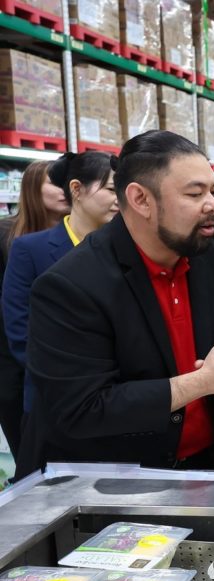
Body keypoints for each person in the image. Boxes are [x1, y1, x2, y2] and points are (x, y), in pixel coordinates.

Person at [20, 130, 214, 476]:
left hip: (210, 467)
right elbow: (81, 407)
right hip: (114, 482)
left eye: (213, 190)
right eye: (195, 193)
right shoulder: (72, 284)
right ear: (140, 199)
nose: (212, 204)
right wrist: (202, 382)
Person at [3, 152, 118, 463]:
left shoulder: (124, 249)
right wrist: (71, 379)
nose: (119, 199)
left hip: (115, 401)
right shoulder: (31, 249)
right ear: (77, 190)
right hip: (52, 400)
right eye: (110, 189)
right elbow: (19, 328)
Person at [0, 161, 68, 456]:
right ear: (31, 187)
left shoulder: (87, 236)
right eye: (55, 183)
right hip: (13, 367)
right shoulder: (7, 236)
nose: (65, 190)